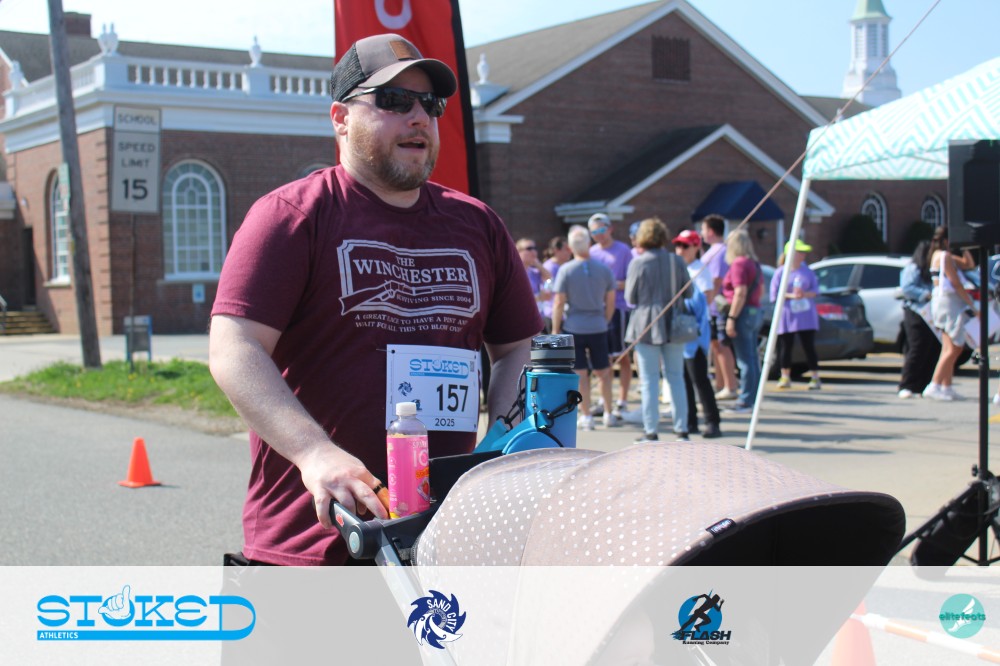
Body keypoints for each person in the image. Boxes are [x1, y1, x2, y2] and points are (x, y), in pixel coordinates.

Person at [208, 33, 541, 566]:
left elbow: (518, 346)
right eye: (393, 100)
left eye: (429, 104)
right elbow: (234, 349)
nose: (419, 116)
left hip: (443, 542)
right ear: (340, 118)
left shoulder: (478, 225)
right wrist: (315, 453)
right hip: (315, 546)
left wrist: (500, 442)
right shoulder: (293, 216)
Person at [624, 217, 691, 442]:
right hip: (674, 323)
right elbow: (689, 292)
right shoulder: (676, 261)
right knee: (676, 377)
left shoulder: (638, 263)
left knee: (649, 380)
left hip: (645, 324)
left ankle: (651, 431)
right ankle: (682, 430)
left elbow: (630, 297)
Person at [552, 225, 617, 430]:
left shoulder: (566, 270)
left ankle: (586, 414)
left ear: (570, 247)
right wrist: (605, 320)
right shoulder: (604, 269)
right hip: (598, 325)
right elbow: (611, 300)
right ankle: (608, 412)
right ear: (588, 244)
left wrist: (555, 328)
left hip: (574, 326)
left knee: (580, 374)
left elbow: (559, 302)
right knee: (603, 371)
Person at [673, 229, 722, 439]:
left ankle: (712, 421)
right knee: (683, 379)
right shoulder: (678, 268)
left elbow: (705, 299)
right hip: (680, 333)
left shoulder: (700, 270)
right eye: (678, 245)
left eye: (685, 246)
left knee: (699, 378)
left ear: (696, 247)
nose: (680, 250)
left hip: (695, 333)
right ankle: (690, 420)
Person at [588, 213, 634, 418]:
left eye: (601, 229)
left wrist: (611, 286)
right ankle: (603, 399)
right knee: (601, 357)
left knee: (621, 356)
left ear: (610, 228)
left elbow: (631, 280)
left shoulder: (623, 250)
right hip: (597, 310)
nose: (599, 234)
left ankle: (622, 401)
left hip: (619, 308)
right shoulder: (591, 252)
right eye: (594, 232)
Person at [924, 226, 977, 401]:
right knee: (955, 347)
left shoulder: (939, 255)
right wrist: (972, 306)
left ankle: (946, 386)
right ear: (947, 240)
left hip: (942, 304)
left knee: (949, 347)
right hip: (948, 304)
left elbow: (969, 264)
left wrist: (963, 248)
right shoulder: (944, 256)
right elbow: (956, 283)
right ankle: (934, 385)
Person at [721, 228, 764, 413]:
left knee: (745, 360)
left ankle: (745, 400)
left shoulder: (739, 264)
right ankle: (753, 397)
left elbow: (740, 292)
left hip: (742, 312)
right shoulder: (754, 263)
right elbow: (761, 290)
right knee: (752, 358)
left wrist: (731, 317)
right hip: (755, 311)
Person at [770, 238, 822, 390]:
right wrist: (791, 296)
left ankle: (815, 377)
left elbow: (816, 291)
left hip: (806, 316)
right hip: (788, 315)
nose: (803, 255)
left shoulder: (808, 272)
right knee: (786, 346)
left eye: (804, 252)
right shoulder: (781, 272)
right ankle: (785, 376)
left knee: (809, 346)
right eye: (800, 252)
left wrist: (804, 294)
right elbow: (774, 295)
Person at [698, 214, 740, 400]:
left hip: (716, 306)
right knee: (716, 346)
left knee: (722, 346)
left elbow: (716, 280)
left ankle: (730, 385)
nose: (701, 233)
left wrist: (706, 304)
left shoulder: (717, 251)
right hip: (714, 306)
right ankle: (721, 384)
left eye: (703, 229)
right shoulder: (718, 250)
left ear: (711, 231)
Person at [897, 240, 940, 399]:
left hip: (932, 313)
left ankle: (923, 385)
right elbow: (907, 288)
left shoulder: (931, 270)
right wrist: (927, 294)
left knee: (932, 348)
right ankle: (907, 385)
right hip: (916, 312)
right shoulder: (913, 268)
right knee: (917, 347)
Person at [541, 236, 571, 332]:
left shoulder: (567, 266)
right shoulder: (548, 267)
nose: (570, 251)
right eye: (566, 249)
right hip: (552, 315)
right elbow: (548, 291)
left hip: (566, 315)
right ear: (556, 250)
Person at [517, 237, 552, 315]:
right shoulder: (515, 274)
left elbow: (549, 277)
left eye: (535, 248)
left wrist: (537, 264)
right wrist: (539, 297)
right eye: (529, 248)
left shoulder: (534, 272)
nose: (533, 251)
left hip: (537, 315)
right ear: (518, 252)